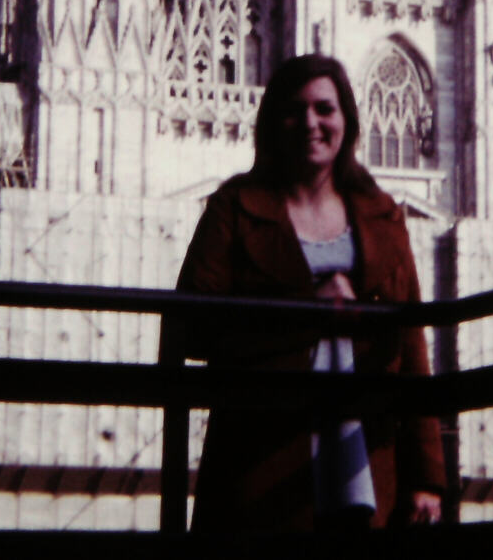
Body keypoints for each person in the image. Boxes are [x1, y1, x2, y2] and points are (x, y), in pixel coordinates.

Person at [175, 53, 445, 532]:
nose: (310, 123)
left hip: (365, 453)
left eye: (325, 109)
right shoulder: (235, 208)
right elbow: (191, 326)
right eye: (294, 110)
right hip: (263, 455)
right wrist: (304, 310)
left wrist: (427, 476)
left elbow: (412, 350)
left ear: (347, 120)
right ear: (273, 122)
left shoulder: (382, 215)